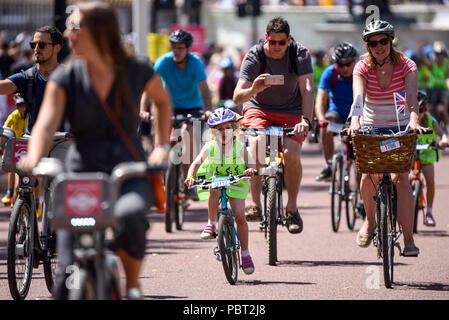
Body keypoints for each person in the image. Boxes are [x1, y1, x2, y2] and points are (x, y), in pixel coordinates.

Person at [19, 1, 172, 300]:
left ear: (97, 32)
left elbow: (162, 101)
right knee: (65, 271)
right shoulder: (67, 76)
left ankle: (131, 284)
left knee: (130, 218)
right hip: (80, 173)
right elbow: (46, 124)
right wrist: (35, 155)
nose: (67, 33)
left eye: (74, 26)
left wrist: (162, 147)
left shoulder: (135, 69)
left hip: (128, 171)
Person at [348, 20, 425, 256]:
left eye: (383, 41)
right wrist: (355, 122)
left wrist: (413, 121)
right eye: (373, 43)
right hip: (371, 127)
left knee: (401, 177)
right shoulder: (361, 67)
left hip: (399, 127)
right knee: (369, 173)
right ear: (368, 46)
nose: (379, 46)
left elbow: (411, 97)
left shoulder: (407, 65)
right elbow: (358, 98)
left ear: (391, 42)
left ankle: (409, 240)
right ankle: (370, 222)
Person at [233, 16, 314, 234]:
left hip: (291, 111)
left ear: (288, 40)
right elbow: (237, 97)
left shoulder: (299, 53)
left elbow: (307, 89)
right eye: (273, 41)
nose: (277, 47)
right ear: (266, 38)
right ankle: (256, 204)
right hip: (258, 108)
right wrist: (254, 90)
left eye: (282, 42)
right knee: (257, 146)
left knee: (292, 154)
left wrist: (306, 120)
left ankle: (292, 209)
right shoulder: (255, 55)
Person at [184, 107, 256, 274]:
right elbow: (195, 163)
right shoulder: (210, 146)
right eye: (219, 129)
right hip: (216, 179)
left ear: (234, 129)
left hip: (236, 182)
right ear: (213, 132)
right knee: (213, 189)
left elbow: (251, 162)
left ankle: (245, 254)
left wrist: (250, 170)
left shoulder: (239, 147)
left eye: (228, 128)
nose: (223, 132)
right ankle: (211, 224)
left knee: (240, 216)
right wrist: (190, 176)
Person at [153, 29, 212, 182]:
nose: (176, 51)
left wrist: (207, 110)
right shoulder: (163, 62)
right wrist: (142, 110)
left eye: (180, 48)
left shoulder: (195, 63)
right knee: (160, 137)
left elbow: (205, 90)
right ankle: (158, 178)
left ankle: (188, 179)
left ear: (187, 49)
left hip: (192, 108)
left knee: (188, 137)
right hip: (169, 107)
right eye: (174, 47)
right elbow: (149, 89)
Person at [0, 25, 63, 134]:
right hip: (33, 143)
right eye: (33, 45)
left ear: (57, 48)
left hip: (63, 142)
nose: (36, 49)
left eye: (42, 45)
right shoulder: (28, 77)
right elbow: (3, 87)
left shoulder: (70, 76)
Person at [315, 42, 357, 181]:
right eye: (340, 64)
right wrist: (321, 119)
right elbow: (320, 99)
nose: (344, 68)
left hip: (357, 117)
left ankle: (361, 199)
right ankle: (329, 165)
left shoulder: (361, 73)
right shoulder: (330, 73)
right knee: (327, 123)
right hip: (337, 114)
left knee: (360, 162)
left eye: (348, 64)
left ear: (354, 62)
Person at [414, 90, 448, 226]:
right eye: (416, 110)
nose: (419, 113)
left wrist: (444, 141)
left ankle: (429, 212)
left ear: (425, 109)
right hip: (410, 157)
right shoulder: (406, 121)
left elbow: (442, 134)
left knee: (430, 180)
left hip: (426, 158)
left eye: (421, 109)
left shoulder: (430, 120)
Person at [1, 93, 29, 207]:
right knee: (12, 169)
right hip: (16, 146)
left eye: (24, 104)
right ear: (16, 106)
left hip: (29, 146)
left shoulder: (31, 116)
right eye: (20, 105)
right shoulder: (13, 115)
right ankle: (10, 192)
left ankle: (37, 201)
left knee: (35, 174)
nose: (22, 107)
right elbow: (4, 130)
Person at [419, 41, 449, 131]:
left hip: (442, 90)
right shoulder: (432, 63)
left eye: (441, 54)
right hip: (432, 90)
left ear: (444, 54)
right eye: (437, 54)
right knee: (429, 109)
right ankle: (433, 129)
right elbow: (424, 61)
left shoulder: (446, 64)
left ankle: (447, 128)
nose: (439, 56)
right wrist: (421, 50)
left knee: (442, 109)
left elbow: (447, 76)